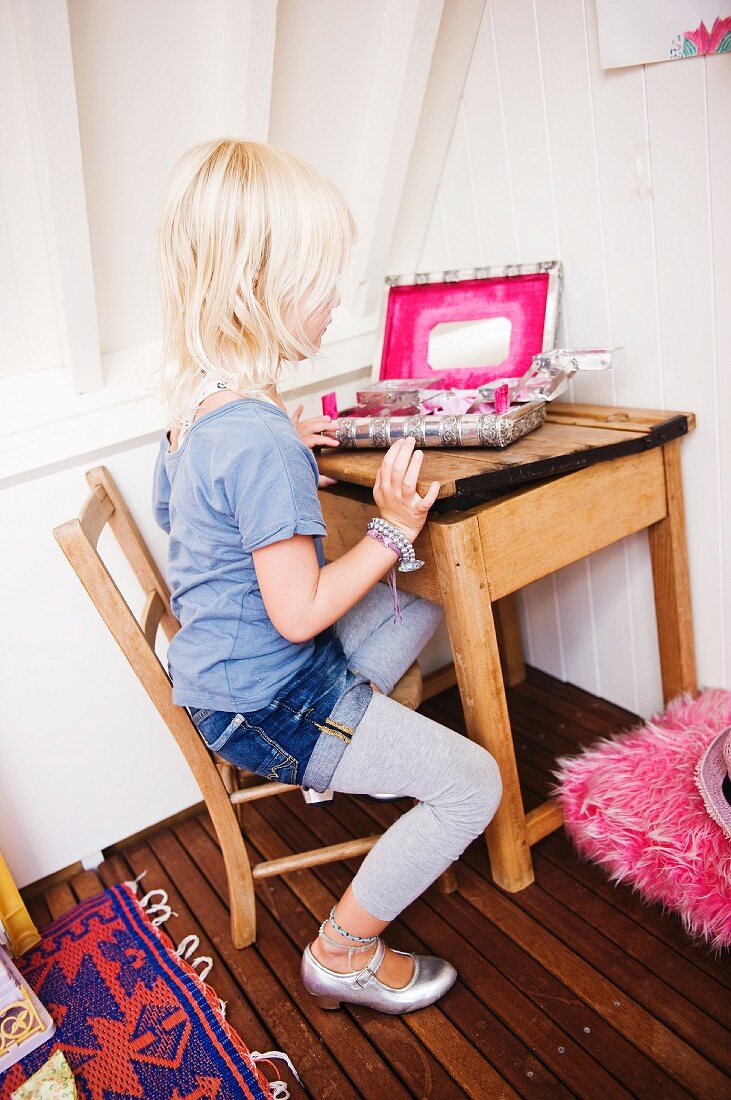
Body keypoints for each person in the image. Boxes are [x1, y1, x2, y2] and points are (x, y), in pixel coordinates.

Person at [153, 139, 502, 1014]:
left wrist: (280, 448)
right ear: (257, 289)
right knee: (474, 784)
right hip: (266, 702)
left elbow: (178, 511)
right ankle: (342, 950)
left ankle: (330, 762)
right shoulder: (256, 436)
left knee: (418, 609)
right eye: (322, 280)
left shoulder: (202, 404)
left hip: (225, 679)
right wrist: (389, 531)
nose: (337, 299)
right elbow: (301, 612)